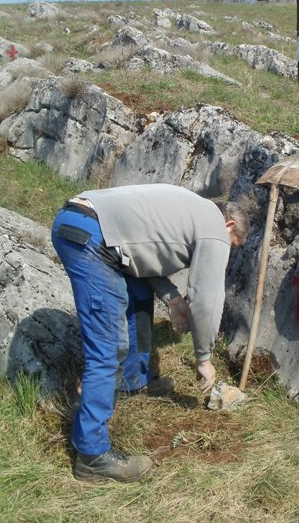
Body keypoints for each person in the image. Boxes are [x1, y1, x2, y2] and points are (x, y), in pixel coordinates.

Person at [51, 183, 249, 483]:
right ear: (229, 225)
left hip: (86, 222)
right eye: (232, 245)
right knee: (108, 348)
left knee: (138, 290)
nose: (227, 252)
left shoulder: (193, 209)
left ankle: (134, 382)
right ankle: (92, 455)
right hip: (90, 237)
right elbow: (208, 298)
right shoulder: (213, 227)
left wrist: (172, 298)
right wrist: (203, 358)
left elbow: (140, 252)